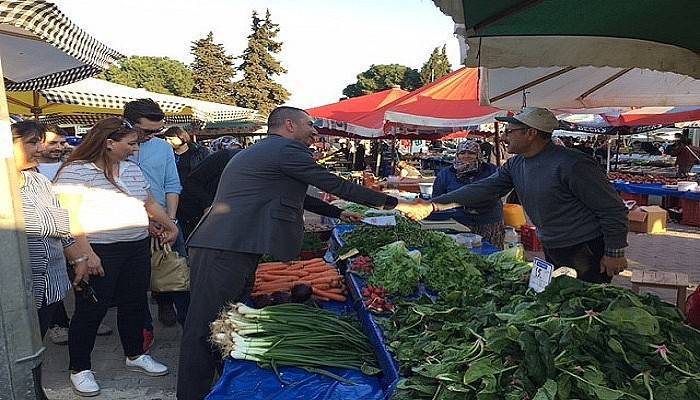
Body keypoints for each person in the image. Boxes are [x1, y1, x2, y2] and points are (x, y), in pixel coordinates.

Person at [177, 106, 406, 400]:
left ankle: (222, 383)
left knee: (223, 321)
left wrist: (336, 212)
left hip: (235, 245)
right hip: (225, 246)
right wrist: (391, 203)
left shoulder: (270, 151)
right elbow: (331, 183)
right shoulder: (286, 149)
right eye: (309, 125)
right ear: (289, 125)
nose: (314, 131)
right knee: (204, 326)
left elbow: (299, 196)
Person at [400, 108, 629, 284]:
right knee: (560, 299)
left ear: (531, 133)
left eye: (510, 132)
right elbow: (483, 188)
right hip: (552, 244)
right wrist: (432, 205)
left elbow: (612, 208)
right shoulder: (516, 164)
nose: (505, 137)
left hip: (585, 249)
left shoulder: (572, 164)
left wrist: (614, 252)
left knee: (586, 304)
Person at [54, 117, 178, 396]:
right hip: (100, 250)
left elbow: (146, 202)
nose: (135, 149)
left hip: (135, 246)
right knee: (91, 311)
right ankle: (80, 368)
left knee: (135, 303)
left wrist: (168, 224)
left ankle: (135, 354)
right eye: (131, 143)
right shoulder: (76, 171)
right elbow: (69, 217)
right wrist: (85, 254)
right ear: (109, 143)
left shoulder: (131, 169)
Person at [12, 121, 104, 400]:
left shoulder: (38, 179)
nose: (39, 148)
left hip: (48, 281)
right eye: (31, 142)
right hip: (15, 286)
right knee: (15, 350)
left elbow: (59, 221)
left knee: (34, 346)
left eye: (40, 141)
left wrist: (78, 256)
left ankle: (33, 390)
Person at [36, 125, 113, 345]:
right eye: (52, 143)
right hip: (44, 235)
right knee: (53, 280)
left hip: (71, 231)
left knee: (80, 277)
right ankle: (58, 324)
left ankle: (88, 316)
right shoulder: (31, 170)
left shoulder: (70, 167)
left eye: (61, 143)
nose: (59, 147)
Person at [124, 99, 184, 333]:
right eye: (147, 130)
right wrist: (145, 220)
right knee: (135, 282)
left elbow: (172, 184)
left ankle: (170, 305)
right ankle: (140, 333)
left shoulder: (162, 147)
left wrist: (171, 219)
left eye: (157, 131)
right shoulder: (110, 147)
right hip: (128, 222)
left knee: (175, 271)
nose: (152, 135)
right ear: (128, 123)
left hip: (164, 219)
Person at [432, 140, 505, 248]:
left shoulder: (491, 170)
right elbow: (437, 198)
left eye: (471, 153)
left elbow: (499, 192)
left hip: (488, 222)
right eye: (462, 153)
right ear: (457, 155)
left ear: (478, 154)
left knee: (490, 255)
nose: (466, 156)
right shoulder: (446, 174)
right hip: (458, 224)